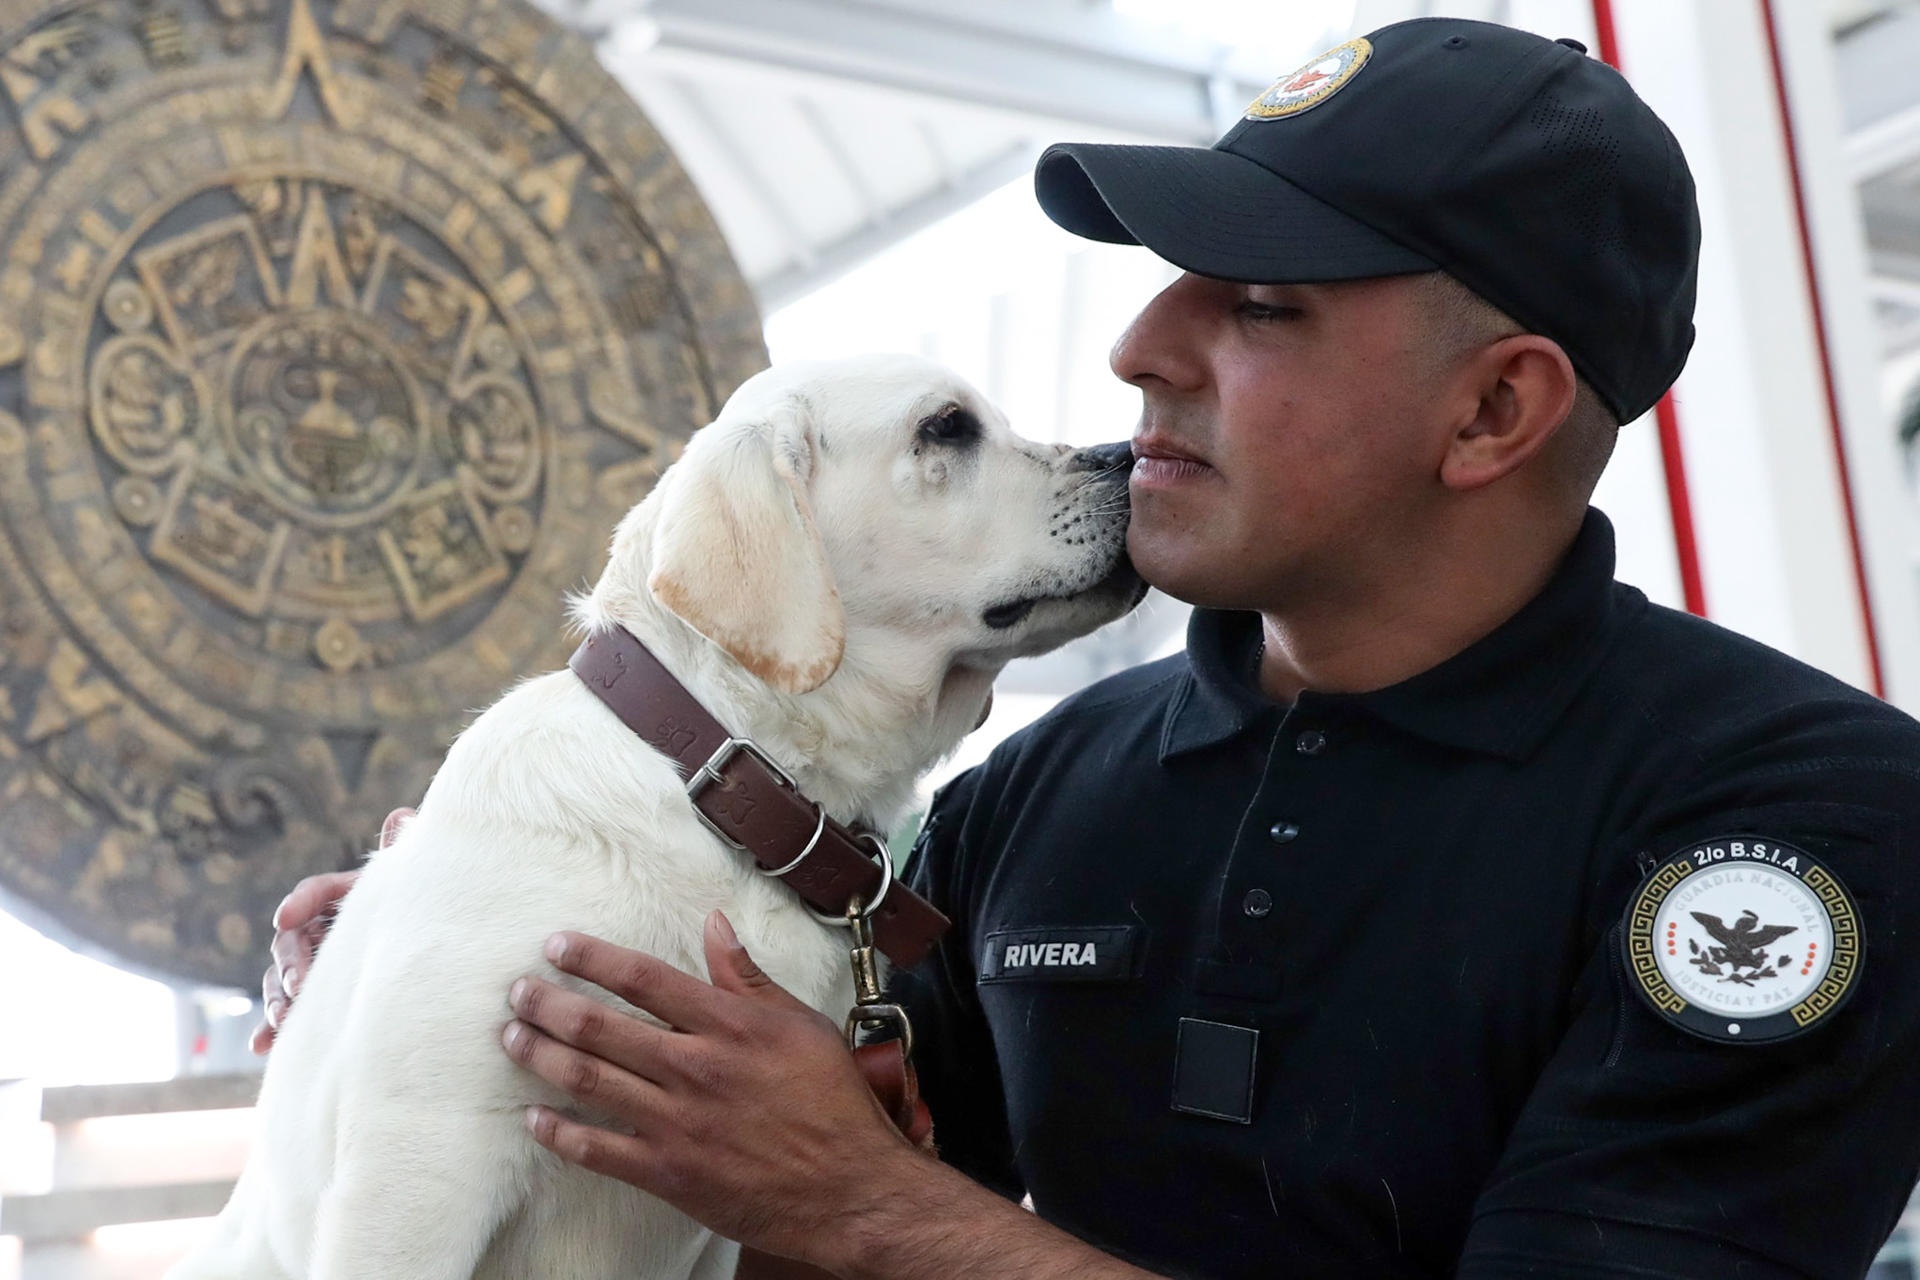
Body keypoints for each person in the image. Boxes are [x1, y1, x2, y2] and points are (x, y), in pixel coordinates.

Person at [257, 18, 1920, 1279]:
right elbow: (776, 1222)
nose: (1137, 349)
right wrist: (436, 1018)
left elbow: (864, 1207)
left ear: (1495, 409)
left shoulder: (1791, 825)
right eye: (1163, 284)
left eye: (1261, 303)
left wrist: (869, 1197)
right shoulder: (1017, 809)